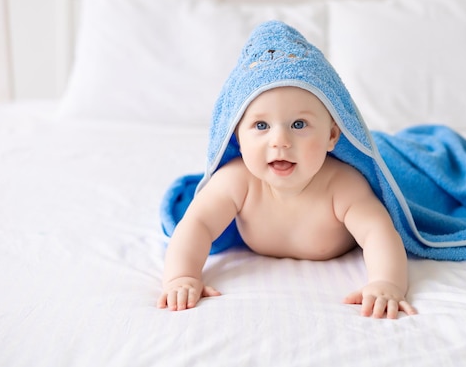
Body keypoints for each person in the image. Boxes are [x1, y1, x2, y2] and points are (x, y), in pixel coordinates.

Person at [157, 20, 417, 319]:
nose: (280, 141)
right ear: (237, 136)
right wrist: (181, 277)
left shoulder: (342, 185)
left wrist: (386, 283)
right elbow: (197, 224)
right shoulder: (236, 181)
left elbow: (378, 233)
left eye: (299, 124)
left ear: (332, 136)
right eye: (261, 125)